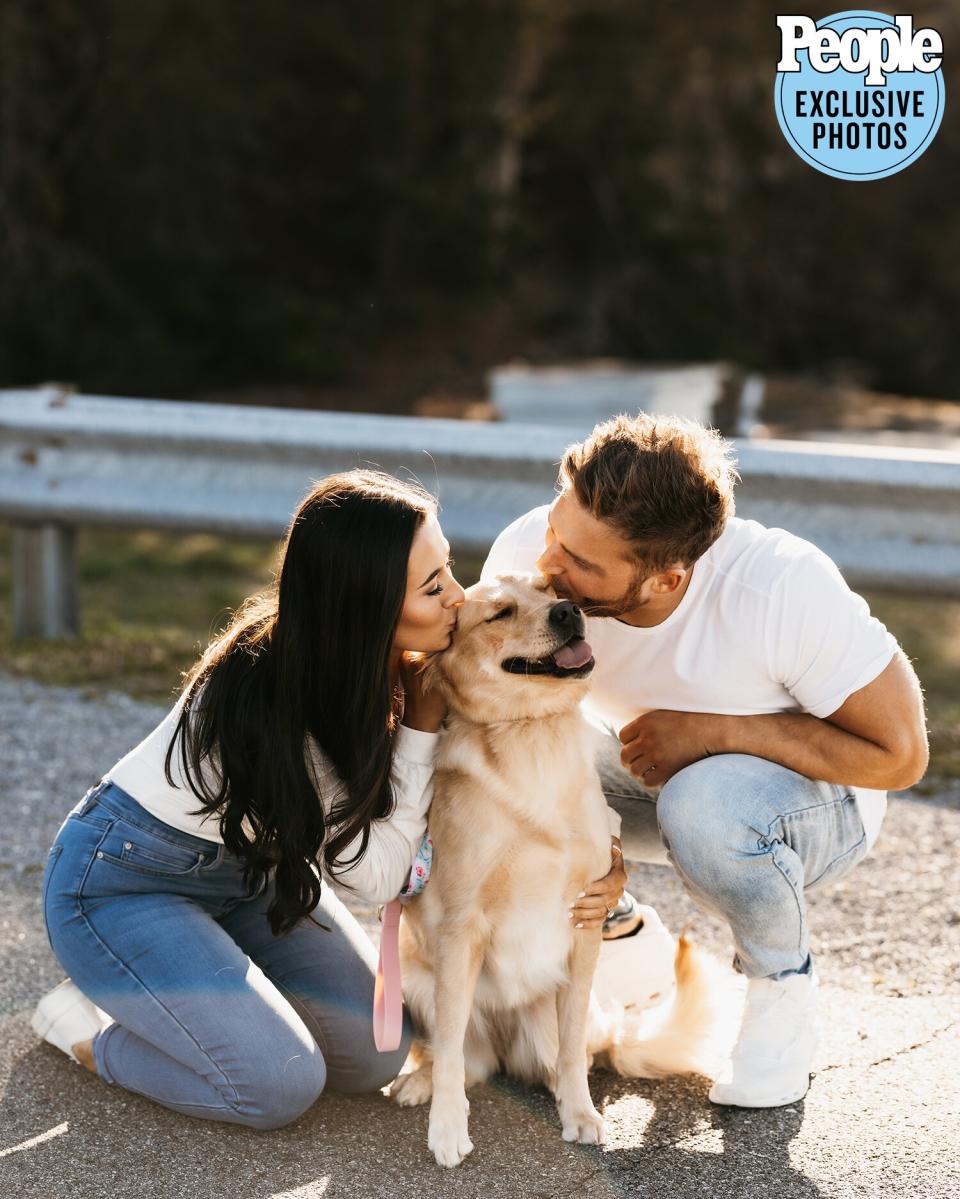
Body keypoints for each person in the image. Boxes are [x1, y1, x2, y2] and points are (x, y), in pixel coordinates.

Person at [481, 413, 929, 1109]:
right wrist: (595, 852)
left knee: (705, 801)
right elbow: (502, 721)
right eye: (554, 531)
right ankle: (622, 936)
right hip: (652, 773)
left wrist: (712, 731)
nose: (547, 564)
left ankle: (783, 990)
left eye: (584, 563)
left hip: (817, 807)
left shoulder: (780, 588)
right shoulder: (533, 550)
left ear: (667, 578)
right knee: (496, 754)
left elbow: (899, 756)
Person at [32, 470, 469, 1129]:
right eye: (433, 587)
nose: (459, 599)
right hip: (125, 884)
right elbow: (373, 875)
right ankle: (90, 1032)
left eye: (450, 571)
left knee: (375, 1053)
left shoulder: (365, 665)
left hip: (257, 877)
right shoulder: (274, 692)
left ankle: (205, 1001)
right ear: (367, 604)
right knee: (277, 1084)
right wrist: (420, 728)